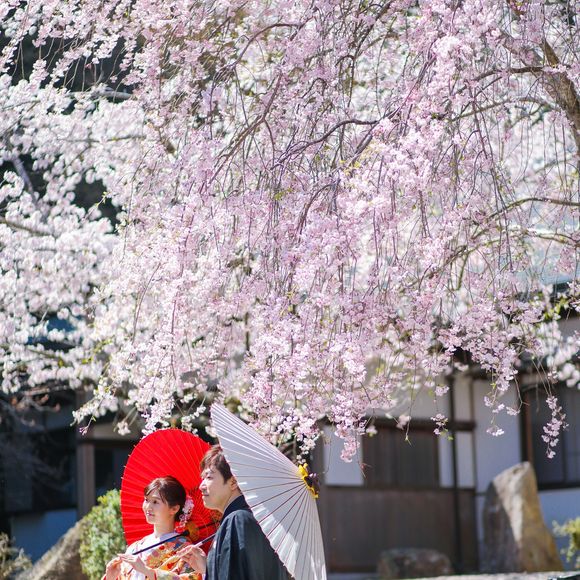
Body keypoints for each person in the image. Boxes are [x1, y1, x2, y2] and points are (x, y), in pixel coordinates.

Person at [178, 445, 289, 579]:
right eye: (203, 478)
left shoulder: (237, 520)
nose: (201, 485)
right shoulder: (254, 519)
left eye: (209, 477)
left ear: (233, 482)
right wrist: (208, 568)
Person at [104, 476, 202, 580]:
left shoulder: (185, 549)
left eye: (155, 502)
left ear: (174, 509)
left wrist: (147, 572)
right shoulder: (134, 548)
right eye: (146, 500)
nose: (148, 507)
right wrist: (111, 577)